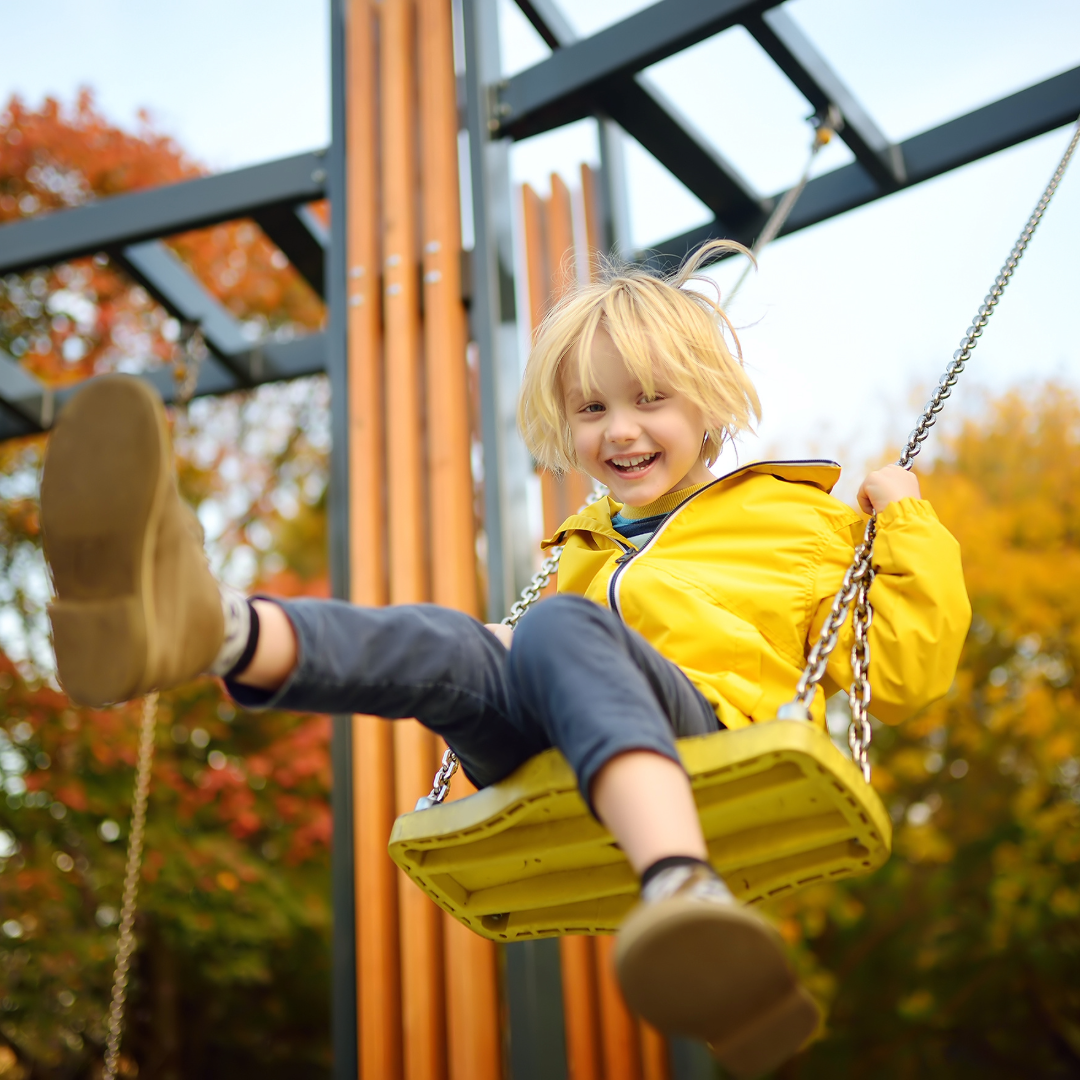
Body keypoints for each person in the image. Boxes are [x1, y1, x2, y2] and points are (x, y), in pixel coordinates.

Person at [40, 240, 970, 1078]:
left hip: (708, 744)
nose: (620, 431)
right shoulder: (584, 544)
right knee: (460, 643)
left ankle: (684, 885)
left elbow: (905, 677)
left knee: (556, 630)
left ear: (710, 401)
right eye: (592, 408)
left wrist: (905, 522)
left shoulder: (794, 520)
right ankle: (209, 629)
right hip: (555, 755)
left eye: (650, 399)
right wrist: (507, 648)